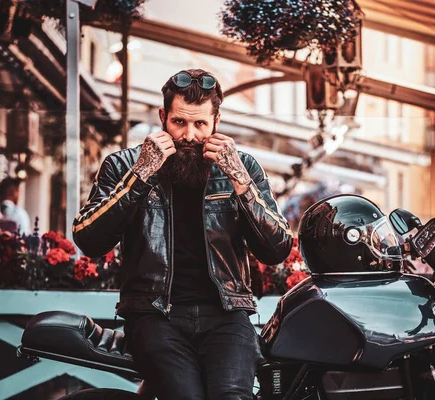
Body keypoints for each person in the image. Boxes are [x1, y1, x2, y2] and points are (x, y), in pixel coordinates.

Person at [72, 69, 293, 400]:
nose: (189, 135)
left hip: (226, 315)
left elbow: (276, 249)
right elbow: (89, 240)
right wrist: (140, 175)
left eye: (200, 124)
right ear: (163, 117)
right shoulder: (124, 165)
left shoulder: (242, 166)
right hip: (154, 315)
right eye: (179, 122)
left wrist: (240, 180)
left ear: (216, 121)